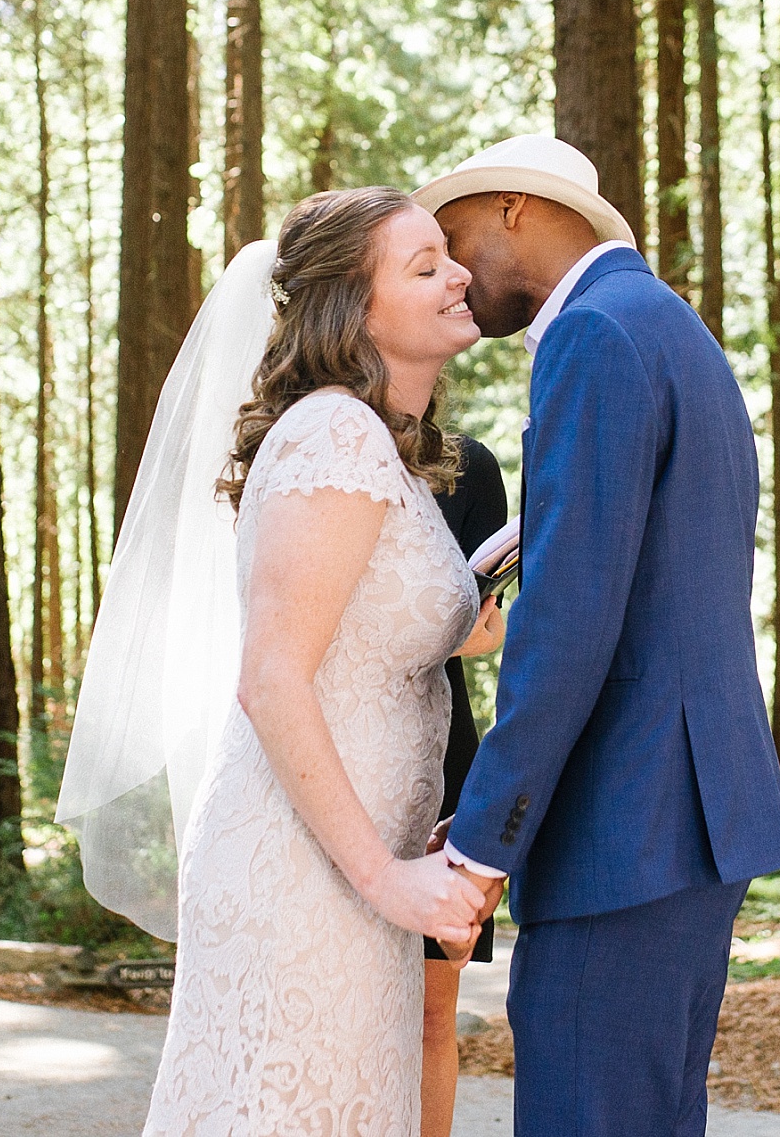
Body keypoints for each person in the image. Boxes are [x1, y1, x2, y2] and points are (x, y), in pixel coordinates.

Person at [57, 186, 498, 1136]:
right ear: (351, 308)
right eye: (424, 267)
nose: (460, 273)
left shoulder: (382, 445)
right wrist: (388, 881)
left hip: (358, 873)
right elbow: (271, 678)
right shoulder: (334, 433)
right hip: (309, 879)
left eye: (449, 255)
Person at [415, 134, 780, 1137]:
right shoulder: (663, 323)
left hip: (627, 818)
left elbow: (569, 624)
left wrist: (482, 840)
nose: (453, 274)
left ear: (513, 208)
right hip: (684, 814)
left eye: (454, 239)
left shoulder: (594, 334)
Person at [421, 435, 509, 1137]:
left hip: (440, 752)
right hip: (322, 750)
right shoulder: (305, 443)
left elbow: (491, 626)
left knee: (429, 1015)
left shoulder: (468, 467)